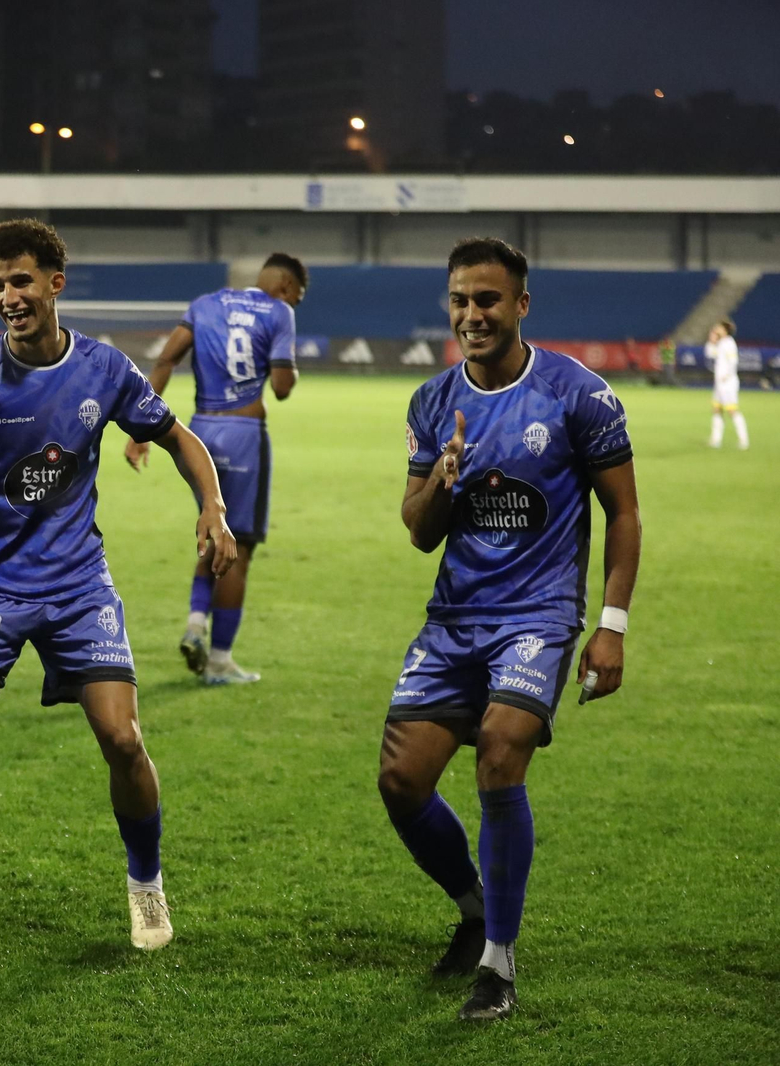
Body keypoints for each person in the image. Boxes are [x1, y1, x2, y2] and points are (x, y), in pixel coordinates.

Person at [0, 219, 236, 966]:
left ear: (54, 284)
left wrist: (213, 507)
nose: (9, 297)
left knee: (124, 740)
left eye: (22, 282)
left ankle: (146, 884)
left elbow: (178, 437)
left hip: (76, 584)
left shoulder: (103, 368)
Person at [380, 237, 640, 1021]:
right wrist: (444, 483)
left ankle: (498, 964)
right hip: (455, 616)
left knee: (500, 752)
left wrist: (612, 626)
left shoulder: (577, 394)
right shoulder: (432, 402)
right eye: (459, 300)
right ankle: (472, 909)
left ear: (521, 305)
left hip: (539, 615)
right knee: (400, 782)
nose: (471, 315)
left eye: (487, 300)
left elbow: (623, 512)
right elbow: (420, 530)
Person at [125, 253, 307, 685]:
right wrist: (288, 367)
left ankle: (194, 625)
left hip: (201, 434)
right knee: (239, 550)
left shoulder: (205, 303)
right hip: (244, 435)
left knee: (212, 529)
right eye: (296, 298)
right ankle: (221, 661)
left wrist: (139, 430)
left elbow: (167, 358)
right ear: (284, 288)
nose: (293, 305)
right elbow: (281, 388)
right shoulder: (278, 311)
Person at [706, 320, 749, 450]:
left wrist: (727, 375)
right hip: (719, 383)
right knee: (717, 409)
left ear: (724, 330)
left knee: (732, 410)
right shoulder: (721, 343)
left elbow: (733, 361)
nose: (716, 328)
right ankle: (716, 439)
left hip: (728, 383)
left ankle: (744, 440)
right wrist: (711, 341)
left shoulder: (729, 343)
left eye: (719, 327)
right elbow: (710, 354)